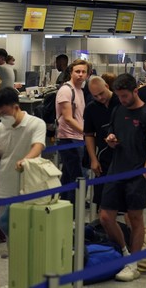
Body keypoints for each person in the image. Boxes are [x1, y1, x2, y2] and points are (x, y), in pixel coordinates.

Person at [100, 73, 146, 282]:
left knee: (135, 218)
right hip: (116, 171)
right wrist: (111, 140)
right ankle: (125, 254)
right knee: (106, 217)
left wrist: (144, 175)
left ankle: (133, 264)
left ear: (135, 91)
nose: (122, 99)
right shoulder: (118, 110)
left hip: (137, 173)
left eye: (125, 95)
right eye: (119, 96)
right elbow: (113, 134)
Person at [0, 87, 46, 237]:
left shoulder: (36, 124)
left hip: (29, 186)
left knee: (28, 233)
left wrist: (25, 160)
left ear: (16, 107)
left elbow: (38, 146)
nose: (1, 117)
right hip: (4, 187)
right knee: (10, 233)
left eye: (4, 113)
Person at [84, 76, 120, 207]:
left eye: (101, 94)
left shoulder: (121, 102)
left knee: (126, 207)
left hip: (124, 157)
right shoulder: (91, 108)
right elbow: (88, 134)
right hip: (103, 157)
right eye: (95, 96)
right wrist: (93, 159)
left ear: (107, 86)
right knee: (103, 203)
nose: (100, 98)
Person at [56, 59, 88, 204]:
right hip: (69, 138)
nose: (80, 75)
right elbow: (68, 118)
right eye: (77, 71)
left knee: (69, 176)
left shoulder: (80, 90)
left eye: (83, 72)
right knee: (80, 176)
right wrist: (86, 133)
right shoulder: (66, 90)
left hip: (77, 137)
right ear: (71, 72)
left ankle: (65, 208)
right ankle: (75, 210)